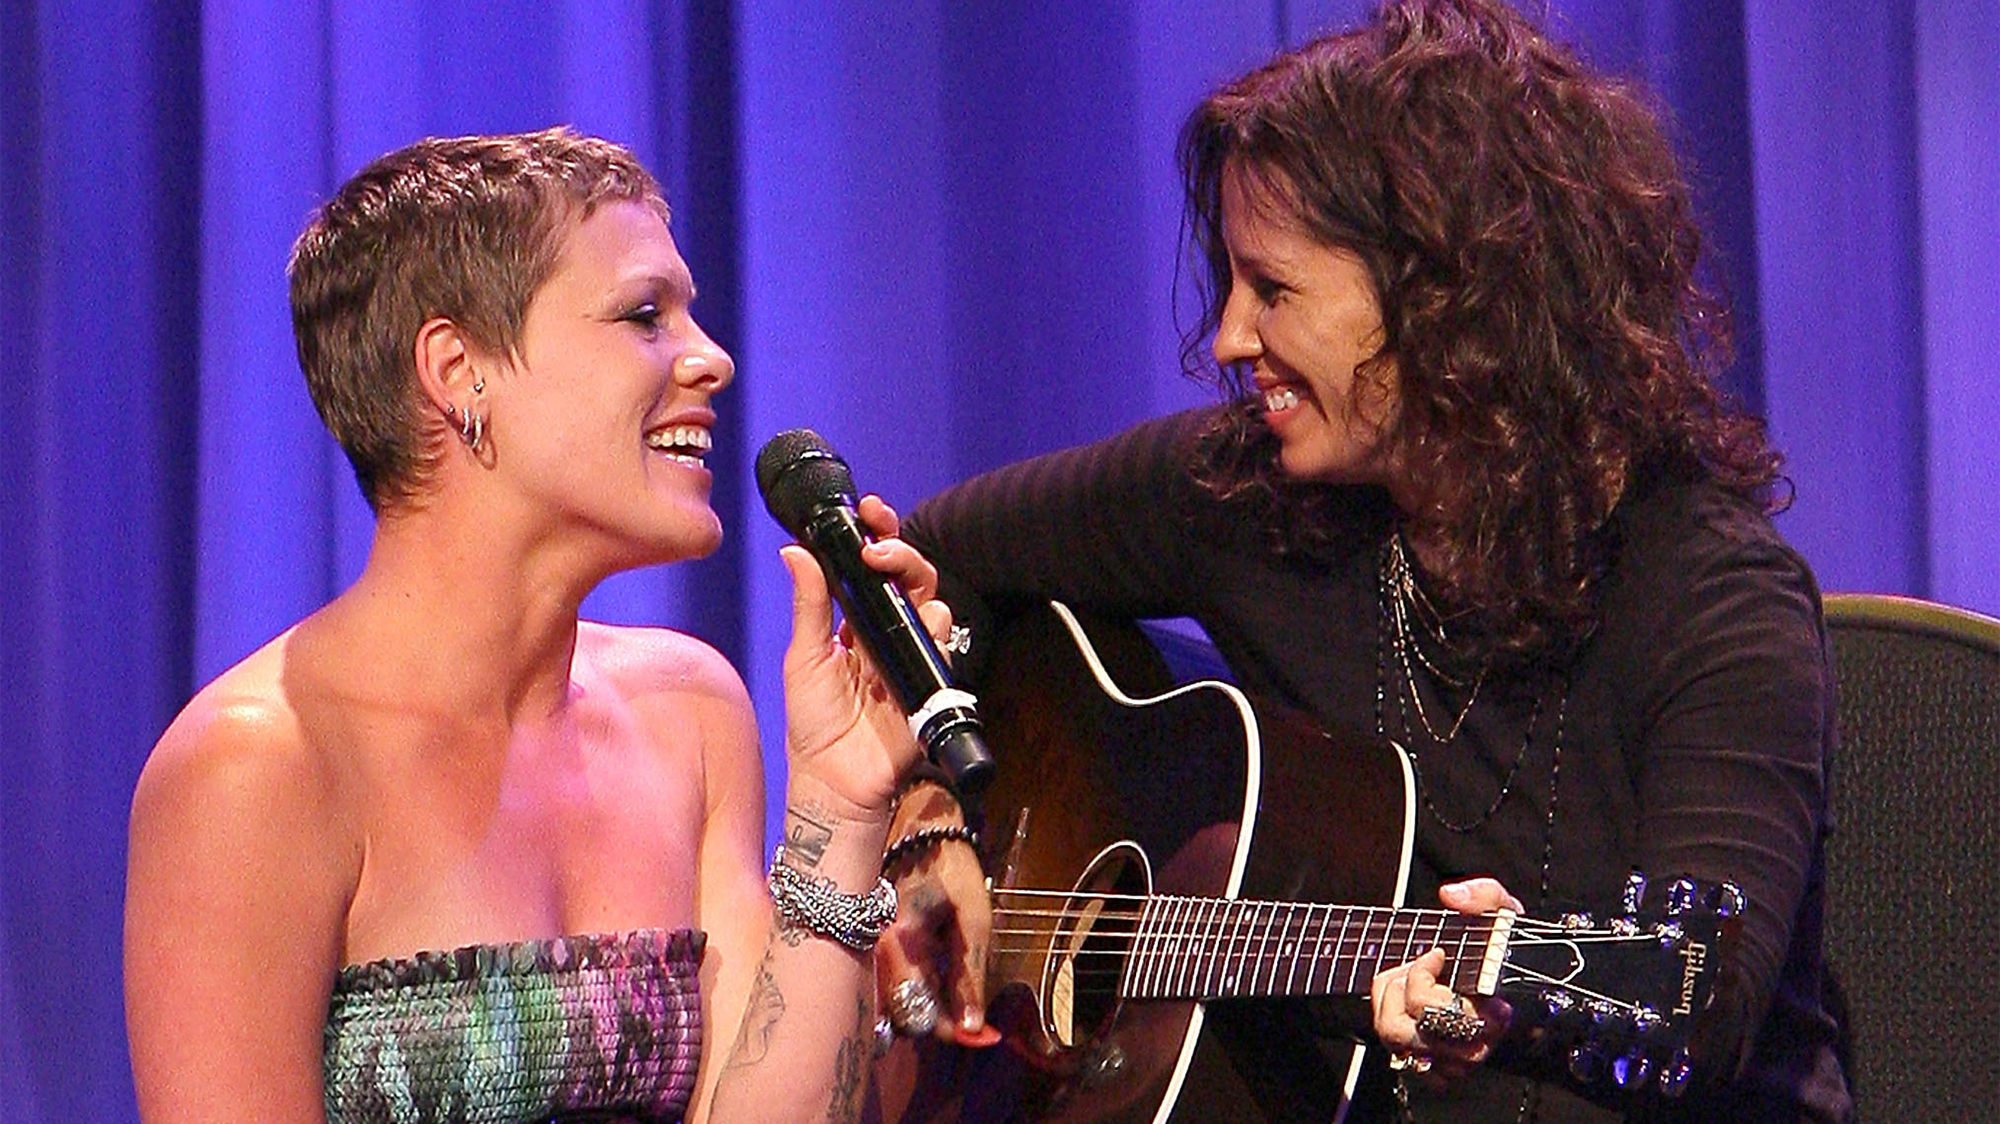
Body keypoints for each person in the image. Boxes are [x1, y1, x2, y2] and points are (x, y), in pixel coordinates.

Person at [894, 1, 1852, 1121]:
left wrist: (1508, 1000)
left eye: (1275, 288)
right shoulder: (1247, 497)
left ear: (1443, 296)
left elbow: (1702, 999)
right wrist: (942, 826)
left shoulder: (1713, 600)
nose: (1229, 339)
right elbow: (929, 555)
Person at [123, 127, 976, 1124]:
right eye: (644, 314)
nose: (711, 358)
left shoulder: (689, 708)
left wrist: (841, 799)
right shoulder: (256, 766)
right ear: (457, 370)